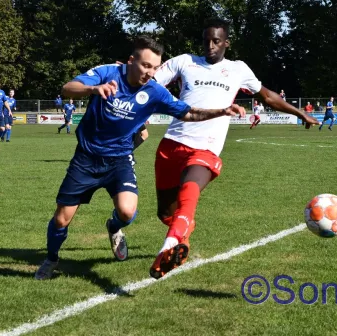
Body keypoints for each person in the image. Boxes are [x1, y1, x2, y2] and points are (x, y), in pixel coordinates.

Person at [34, 36, 245, 280]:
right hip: (86, 159)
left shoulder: (155, 91)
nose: (150, 72)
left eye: (155, 67)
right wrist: (94, 89)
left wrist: (221, 111)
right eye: (146, 66)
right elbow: (67, 88)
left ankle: (114, 227)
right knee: (62, 219)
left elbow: (187, 112)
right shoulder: (107, 72)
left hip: (120, 160)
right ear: (131, 60)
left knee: (126, 211)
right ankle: (51, 259)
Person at [149, 18, 318, 279]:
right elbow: (151, 86)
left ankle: (169, 244)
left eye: (216, 41)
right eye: (206, 40)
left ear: (226, 43)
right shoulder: (184, 61)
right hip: (172, 144)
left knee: (189, 191)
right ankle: (181, 238)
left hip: (205, 148)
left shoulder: (238, 69)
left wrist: (299, 113)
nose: (210, 46)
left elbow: (267, 96)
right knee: (166, 212)